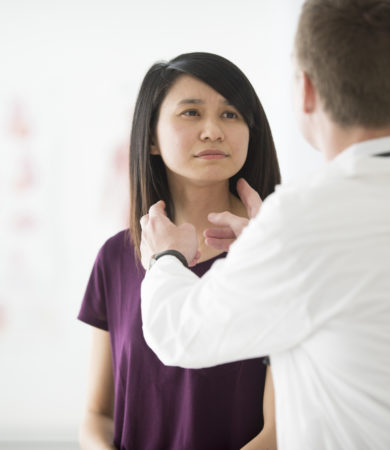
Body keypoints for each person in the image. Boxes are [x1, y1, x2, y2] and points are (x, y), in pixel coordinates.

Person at [139, 1, 390, 449]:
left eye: (231, 113)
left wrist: (166, 256)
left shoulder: (297, 223)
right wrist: (267, 249)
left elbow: (179, 334)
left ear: (305, 90)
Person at [78, 52, 282, 450]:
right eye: (191, 113)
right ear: (151, 138)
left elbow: (278, 432)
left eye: (231, 115)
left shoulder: (275, 253)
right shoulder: (115, 258)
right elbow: (97, 415)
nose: (212, 131)